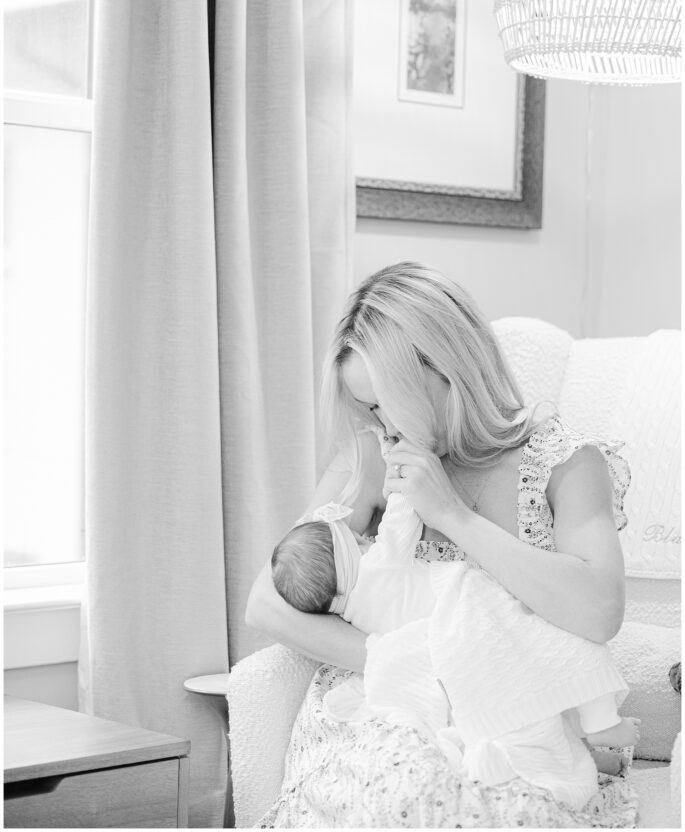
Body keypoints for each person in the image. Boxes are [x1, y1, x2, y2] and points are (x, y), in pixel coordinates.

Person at [246, 261, 636, 828]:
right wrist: (424, 665)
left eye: (384, 402)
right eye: (367, 408)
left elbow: (600, 612)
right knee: (397, 793)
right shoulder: (374, 454)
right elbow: (266, 600)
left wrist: (452, 515)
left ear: (444, 370)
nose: (379, 423)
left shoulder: (563, 462)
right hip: (386, 710)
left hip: (511, 725)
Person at [270, 485, 639, 810]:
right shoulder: (381, 561)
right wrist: (401, 482)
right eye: (354, 538)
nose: (364, 537)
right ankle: (599, 718)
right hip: (472, 619)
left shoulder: (350, 614)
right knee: (557, 639)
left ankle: (536, 762)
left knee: (524, 717)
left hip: (454, 666)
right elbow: (404, 516)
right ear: (349, 551)